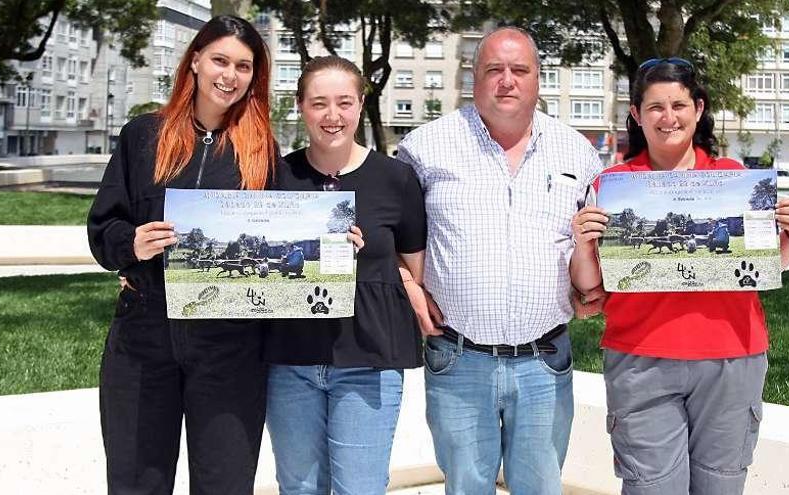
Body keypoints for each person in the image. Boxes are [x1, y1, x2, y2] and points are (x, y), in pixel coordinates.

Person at [570, 58, 789, 495]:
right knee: (651, 488)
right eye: (655, 107)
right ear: (636, 114)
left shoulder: (735, 178)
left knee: (720, 487)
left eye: (679, 105)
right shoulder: (610, 184)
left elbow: (756, 271)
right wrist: (584, 242)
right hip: (641, 360)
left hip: (731, 359)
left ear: (698, 109)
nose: (668, 118)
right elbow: (588, 287)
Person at [396, 27, 603, 494]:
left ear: (537, 79)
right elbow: (387, 233)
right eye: (494, 70)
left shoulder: (579, 153)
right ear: (475, 78)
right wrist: (405, 281)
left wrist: (595, 285)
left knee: (541, 487)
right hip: (457, 359)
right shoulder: (424, 148)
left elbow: (590, 247)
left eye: (519, 70)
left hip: (545, 361)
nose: (506, 81)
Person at [87, 16, 276, 495]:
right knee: (136, 481)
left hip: (230, 342)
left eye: (243, 66)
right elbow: (103, 225)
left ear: (255, 77)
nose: (229, 75)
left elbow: (284, 231)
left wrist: (336, 238)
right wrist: (130, 243)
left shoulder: (261, 152)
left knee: (225, 483)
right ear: (194, 61)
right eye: (219, 60)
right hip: (144, 334)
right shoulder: (143, 136)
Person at [262, 56, 427, 495]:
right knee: (298, 487)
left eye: (344, 102)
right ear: (300, 107)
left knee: (361, 488)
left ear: (360, 105)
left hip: (368, 360)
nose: (332, 116)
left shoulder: (397, 179)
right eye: (319, 103)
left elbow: (415, 268)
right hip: (289, 360)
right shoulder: (274, 178)